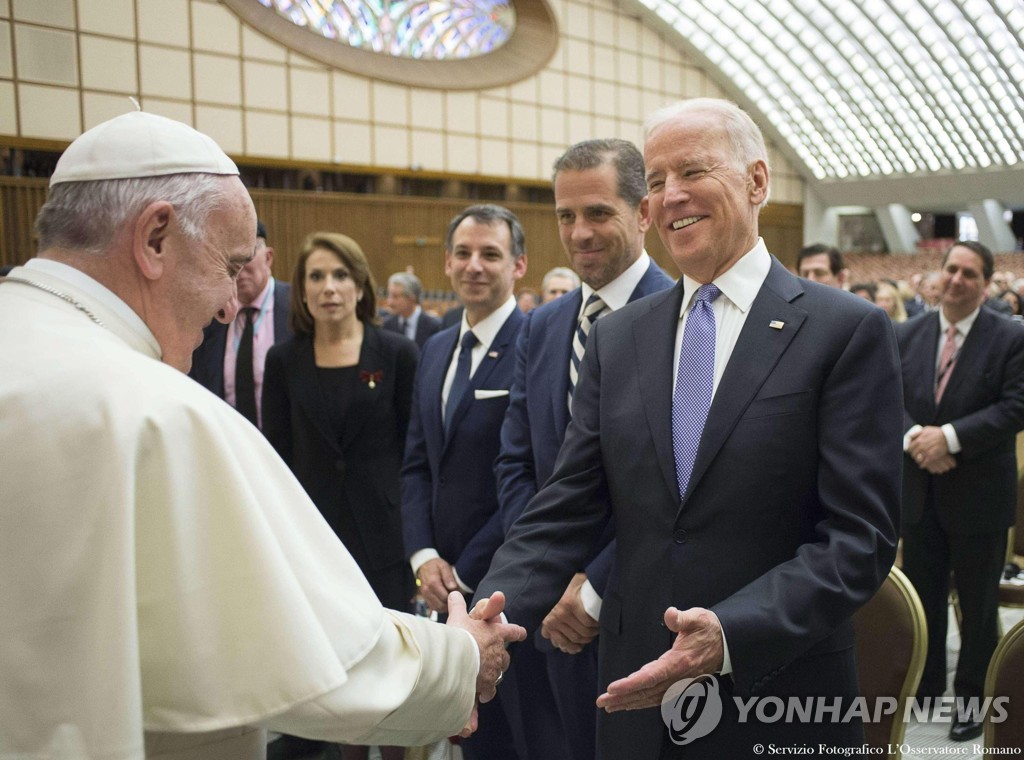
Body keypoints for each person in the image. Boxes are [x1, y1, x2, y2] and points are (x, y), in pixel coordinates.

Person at [0, 111, 524, 760]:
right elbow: (302, 656)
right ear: (155, 238)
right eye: (229, 265)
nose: (228, 305)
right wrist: (460, 659)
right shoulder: (155, 411)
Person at [475, 98, 902, 758]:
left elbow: (859, 539)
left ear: (756, 182)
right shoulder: (618, 339)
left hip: (778, 695)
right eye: (654, 180)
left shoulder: (843, 331)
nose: (670, 197)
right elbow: (565, 508)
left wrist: (730, 632)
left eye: (693, 171)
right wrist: (487, 617)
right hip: (634, 698)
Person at [495, 137, 674, 760]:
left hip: (642, 610)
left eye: (598, 213)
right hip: (550, 617)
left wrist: (593, 583)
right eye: (566, 216)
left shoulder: (686, 318)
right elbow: (518, 462)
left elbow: (677, 486)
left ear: (644, 213)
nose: (579, 233)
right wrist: (548, 579)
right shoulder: (543, 325)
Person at [262, 233, 421, 760]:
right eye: (316, 277)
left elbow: (411, 449)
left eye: (340, 276)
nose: (329, 287)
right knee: (339, 666)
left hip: (385, 532)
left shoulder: (396, 352)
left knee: (393, 663)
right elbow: (278, 455)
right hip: (318, 536)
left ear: (359, 286)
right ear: (302, 292)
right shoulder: (284, 361)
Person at [402, 204, 528, 760]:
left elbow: (532, 476)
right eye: (463, 253)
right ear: (448, 263)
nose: (474, 266)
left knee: (508, 740)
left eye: (491, 254)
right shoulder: (434, 347)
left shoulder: (534, 344)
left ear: (518, 265)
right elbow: (416, 464)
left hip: (502, 582)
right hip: (437, 577)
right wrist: (424, 556)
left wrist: (465, 573)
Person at [896, 240, 1024, 742]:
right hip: (918, 489)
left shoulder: (1010, 337)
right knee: (922, 598)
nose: (956, 280)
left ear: (986, 284)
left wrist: (947, 438)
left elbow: (1016, 406)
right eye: (951, 269)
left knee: (978, 604)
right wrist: (915, 438)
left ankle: (974, 698)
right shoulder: (907, 333)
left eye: (970, 274)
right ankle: (924, 687)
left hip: (979, 495)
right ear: (939, 273)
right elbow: (884, 395)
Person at [188, 220, 291, 427]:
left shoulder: (298, 310)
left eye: (246, 257)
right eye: (230, 261)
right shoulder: (210, 317)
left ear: (268, 257)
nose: (239, 269)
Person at [382, 271, 442, 348]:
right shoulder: (386, 325)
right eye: (389, 295)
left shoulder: (434, 326)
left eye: (395, 297)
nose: (389, 302)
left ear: (412, 299)